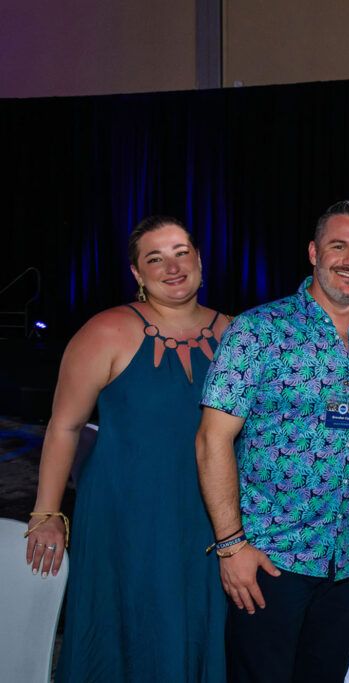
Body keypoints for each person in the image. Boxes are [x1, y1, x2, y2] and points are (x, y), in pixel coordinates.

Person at [195, 200, 349, 683]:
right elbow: (211, 441)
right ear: (313, 252)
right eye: (339, 246)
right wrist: (231, 547)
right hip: (270, 558)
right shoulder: (258, 331)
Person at [25, 215, 228, 681]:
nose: (172, 267)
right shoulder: (106, 331)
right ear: (137, 273)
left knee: (198, 620)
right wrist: (46, 514)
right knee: (129, 624)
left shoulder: (238, 333)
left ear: (199, 259)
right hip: (125, 512)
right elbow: (64, 427)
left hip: (206, 510)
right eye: (155, 259)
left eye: (181, 253)